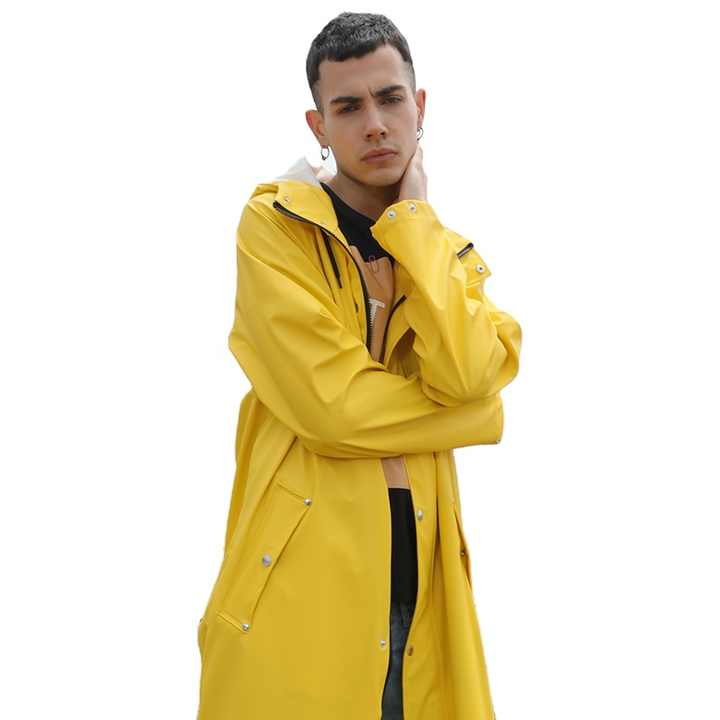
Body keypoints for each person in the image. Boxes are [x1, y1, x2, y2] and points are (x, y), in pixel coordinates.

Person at [196, 12, 522, 720]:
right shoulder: (275, 228)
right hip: (300, 586)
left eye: (390, 99)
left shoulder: (444, 253)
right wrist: (470, 419)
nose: (374, 124)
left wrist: (414, 223)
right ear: (318, 125)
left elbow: (470, 374)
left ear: (420, 106)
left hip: (423, 582)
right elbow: (331, 409)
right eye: (348, 107)